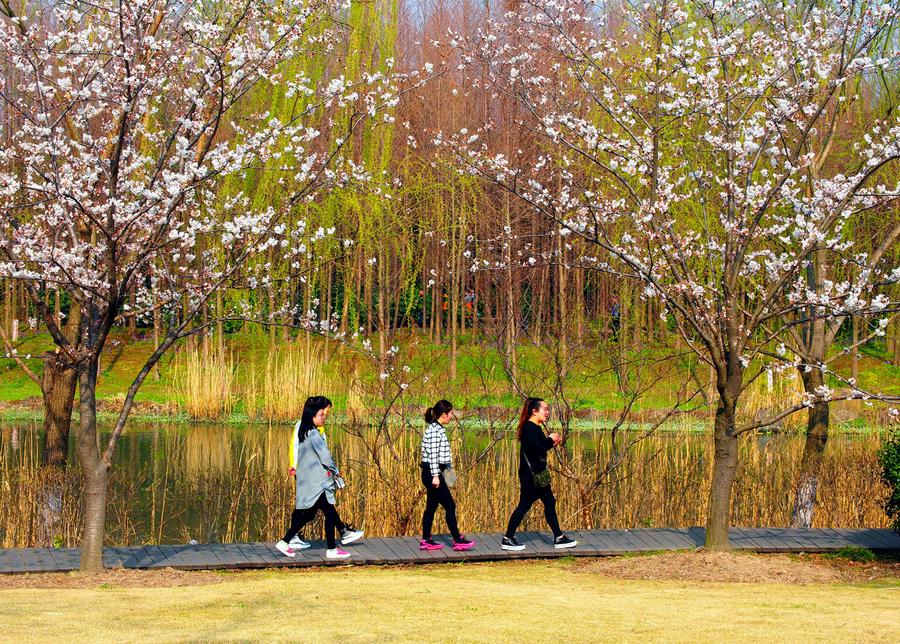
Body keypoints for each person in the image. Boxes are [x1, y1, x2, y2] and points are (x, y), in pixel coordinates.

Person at [276, 396, 362, 559]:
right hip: (319, 482)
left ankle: (286, 541)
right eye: (322, 415)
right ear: (313, 416)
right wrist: (336, 471)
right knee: (329, 512)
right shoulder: (313, 434)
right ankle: (331, 549)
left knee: (310, 514)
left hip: (310, 481)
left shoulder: (304, 431)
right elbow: (325, 457)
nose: (324, 418)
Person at [501, 397, 577, 551]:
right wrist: (550, 440)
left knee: (548, 502)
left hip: (536, 475)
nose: (547, 412)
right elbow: (539, 448)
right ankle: (508, 538)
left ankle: (558, 536)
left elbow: (538, 448)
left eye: (548, 409)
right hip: (532, 477)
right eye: (545, 409)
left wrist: (549, 442)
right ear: (534, 411)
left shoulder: (533, 427)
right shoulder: (530, 428)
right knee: (525, 505)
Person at [419, 400, 476, 551]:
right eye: (451, 413)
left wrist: (449, 471)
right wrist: (436, 476)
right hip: (433, 473)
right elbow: (432, 456)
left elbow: (441, 455)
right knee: (450, 505)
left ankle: (426, 540)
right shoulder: (434, 431)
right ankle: (457, 540)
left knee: (431, 507)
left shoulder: (438, 428)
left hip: (437, 472)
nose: (452, 416)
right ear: (444, 415)